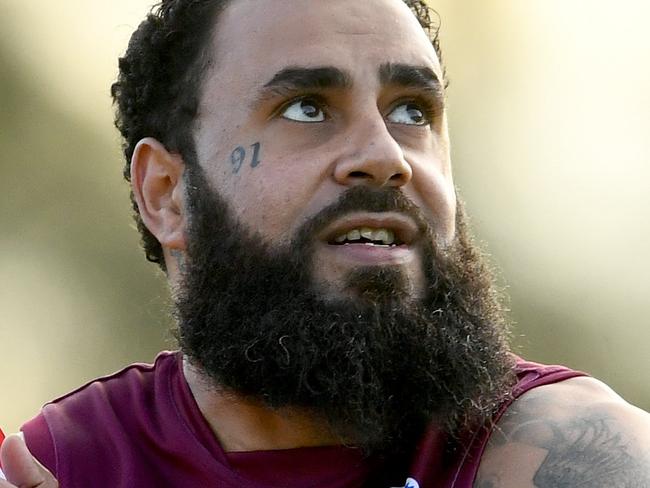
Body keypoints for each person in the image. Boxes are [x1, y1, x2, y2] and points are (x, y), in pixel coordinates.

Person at [1, 0, 649, 486]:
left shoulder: (569, 453)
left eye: (411, 111)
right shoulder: (67, 462)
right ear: (168, 193)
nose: (384, 155)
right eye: (307, 107)